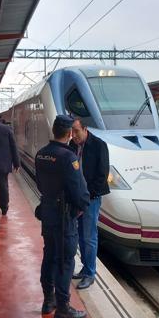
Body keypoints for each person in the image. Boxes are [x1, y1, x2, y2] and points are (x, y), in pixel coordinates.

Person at [35, 115, 90, 318]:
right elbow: (79, 192)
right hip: (65, 217)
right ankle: (63, 308)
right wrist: (82, 207)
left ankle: (48, 301)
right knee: (66, 261)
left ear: (54, 131)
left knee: (49, 255)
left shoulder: (41, 154)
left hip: (48, 212)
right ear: (68, 134)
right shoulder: (69, 158)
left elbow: (40, 183)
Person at [69, 118, 110, 290]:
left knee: (89, 236)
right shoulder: (72, 145)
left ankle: (90, 274)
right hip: (77, 198)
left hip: (91, 199)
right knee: (79, 235)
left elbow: (102, 174)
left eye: (77, 131)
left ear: (85, 129)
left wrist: (87, 196)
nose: (74, 135)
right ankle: (85, 268)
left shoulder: (99, 145)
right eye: (72, 131)